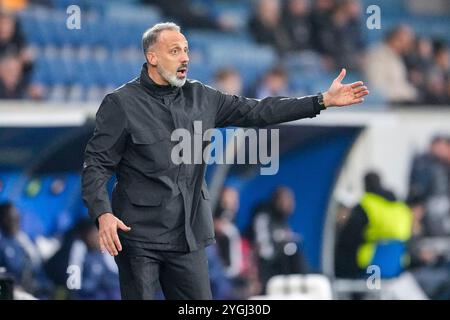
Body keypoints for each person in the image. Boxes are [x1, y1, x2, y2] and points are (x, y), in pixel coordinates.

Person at [81, 22, 369, 300]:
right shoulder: (121, 103)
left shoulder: (203, 97)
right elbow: (96, 165)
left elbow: (259, 111)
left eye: (186, 50)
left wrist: (320, 101)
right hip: (140, 237)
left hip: (188, 237)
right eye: (175, 51)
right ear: (152, 57)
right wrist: (103, 213)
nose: (185, 58)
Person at [335, 172, 413, 278]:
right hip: (397, 265)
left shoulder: (367, 204)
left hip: (369, 265)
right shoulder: (402, 208)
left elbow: (348, 236)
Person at [248, 187, 309, 291]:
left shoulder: (282, 222)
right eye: (286, 200)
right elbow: (264, 250)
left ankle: (305, 282)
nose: (291, 204)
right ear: (276, 200)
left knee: (295, 251)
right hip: (267, 269)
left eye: (291, 200)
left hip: (280, 267)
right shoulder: (263, 216)